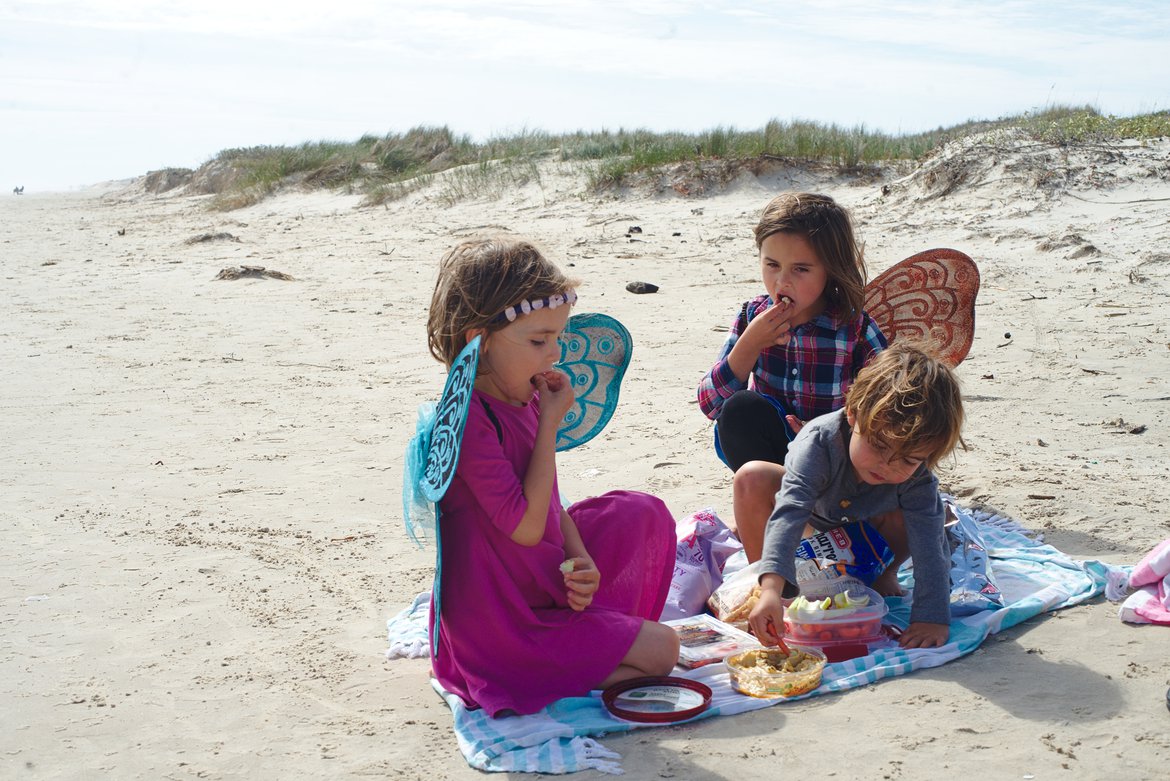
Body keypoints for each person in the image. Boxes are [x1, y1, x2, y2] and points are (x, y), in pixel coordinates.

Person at [424, 236, 680, 716]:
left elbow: (551, 502)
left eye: (558, 338)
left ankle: (580, 648)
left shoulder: (524, 395)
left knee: (640, 512)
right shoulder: (466, 420)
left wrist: (582, 560)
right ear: (476, 339)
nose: (554, 355)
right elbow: (522, 525)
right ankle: (531, 671)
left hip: (534, 581)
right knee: (663, 651)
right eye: (539, 341)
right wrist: (548, 427)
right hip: (498, 621)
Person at [697, 192, 888, 562]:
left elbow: (887, 404)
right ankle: (774, 517)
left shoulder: (853, 327)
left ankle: (821, 521)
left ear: (830, 269)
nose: (782, 281)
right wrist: (749, 344)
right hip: (774, 464)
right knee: (741, 409)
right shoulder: (753, 315)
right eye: (771, 264)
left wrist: (828, 436)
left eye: (801, 269)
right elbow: (710, 404)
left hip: (836, 465)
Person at [746, 342, 966, 649]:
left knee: (933, 514)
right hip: (813, 522)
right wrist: (771, 588)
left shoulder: (917, 475)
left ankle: (879, 573)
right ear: (853, 414)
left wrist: (932, 618)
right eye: (878, 445)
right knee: (752, 477)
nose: (887, 465)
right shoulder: (819, 443)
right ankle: (767, 589)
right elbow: (791, 512)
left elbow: (931, 547)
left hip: (874, 534)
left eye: (908, 459)